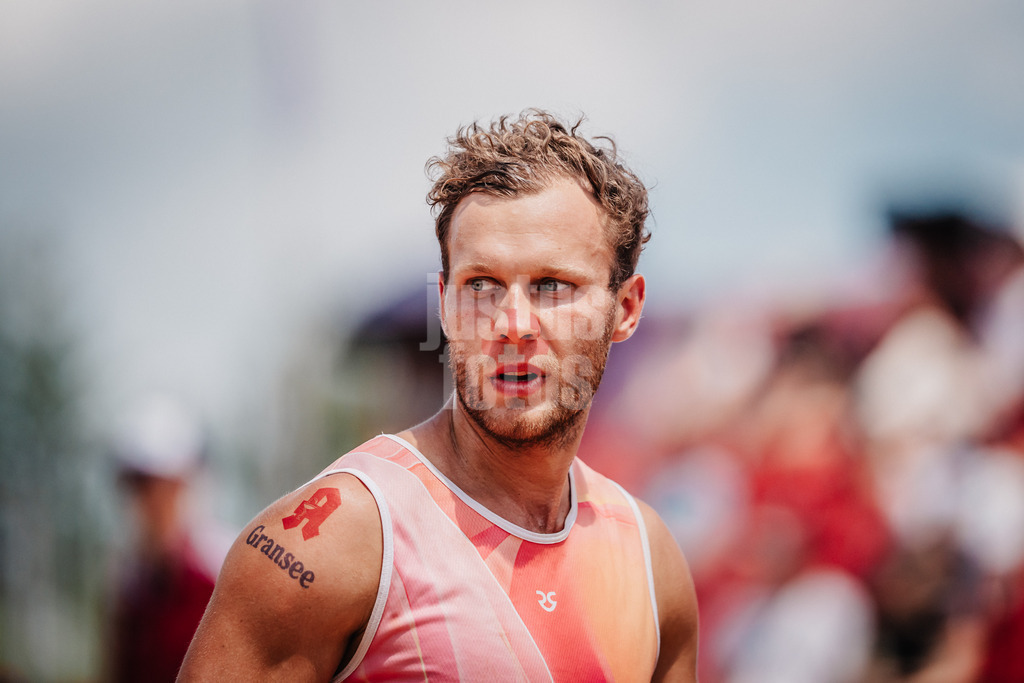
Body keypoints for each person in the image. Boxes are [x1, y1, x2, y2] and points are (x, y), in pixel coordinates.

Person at [179, 110, 699, 681]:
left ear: (625, 308)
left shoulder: (652, 561)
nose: (513, 323)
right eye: (482, 285)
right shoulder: (331, 544)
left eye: (553, 285)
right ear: (447, 304)